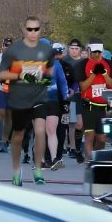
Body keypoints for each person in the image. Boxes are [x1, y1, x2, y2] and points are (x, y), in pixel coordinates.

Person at [0, 16, 55, 186]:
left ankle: (37, 169)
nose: (32, 33)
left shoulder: (46, 50)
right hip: (19, 99)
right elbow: (1, 74)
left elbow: (49, 75)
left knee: (40, 130)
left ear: (40, 30)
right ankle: (16, 171)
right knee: (18, 136)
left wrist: (42, 78)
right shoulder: (13, 51)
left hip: (39, 98)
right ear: (24, 30)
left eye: (36, 29)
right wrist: (20, 75)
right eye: (29, 29)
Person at [74, 38, 112, 162]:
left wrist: (104, 74)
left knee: (102, 138)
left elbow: (111, 84)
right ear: (89, 50)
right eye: (94, 52)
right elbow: (83, 86)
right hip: (89, 106)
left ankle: (95, 158)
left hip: (103, 107)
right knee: (89, 135)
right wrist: (93, 74)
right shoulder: (82, 64)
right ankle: (89, 161)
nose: (96, 55)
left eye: (99, 52)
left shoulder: (108, 63)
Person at [44, 42, 69, 170]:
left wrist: (65, 96)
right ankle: (48, 158)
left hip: (50, 101)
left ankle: (53, 159)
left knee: (49, 131)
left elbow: (63, 83)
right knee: (45, 132)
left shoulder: (56, 64)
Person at [63, 38, 84, 163]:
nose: (74, 50)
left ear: (80, 49)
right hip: (67, 94)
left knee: (77, 123)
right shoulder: (64, 61)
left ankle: (74, 146)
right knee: (69, 122)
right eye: (72, 48)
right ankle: (70, 147)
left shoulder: (83, 62)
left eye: (77, 48)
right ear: (68, 48)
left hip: (80, 94)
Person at [0, 38, 13, 153]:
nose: (7, 47)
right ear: (2, 46)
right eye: (6, 45)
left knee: (9, 115)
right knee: (0, 112)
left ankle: (5, 140)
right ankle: (0, 141)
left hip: (12, 90)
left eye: (10, 45)